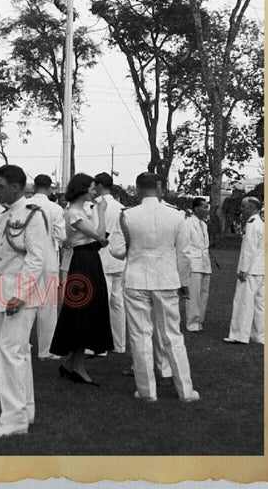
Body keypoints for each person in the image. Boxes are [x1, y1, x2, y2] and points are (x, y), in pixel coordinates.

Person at [113, 172, 199, 403]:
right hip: (166, 279)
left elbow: (117, 250)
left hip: (136, 279)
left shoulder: (127, 215)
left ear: (138, 189)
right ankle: (186, 391)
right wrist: (184, 282)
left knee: (140, 336)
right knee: (173, 335)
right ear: (158, 187)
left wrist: (132, 245)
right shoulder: (177, 215)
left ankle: (147, 391)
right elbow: (184, 253)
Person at [0, 164, 47, 439]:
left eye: (0, 185)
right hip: (8, 291)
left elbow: (36, 258)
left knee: (11, 353)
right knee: (17, 353)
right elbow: (10, 254)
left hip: (19, 294)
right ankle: (22, 410)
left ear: (16, 188)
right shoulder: (8, 214)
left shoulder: (31, 214)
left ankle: (15, 418)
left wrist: (20, 294)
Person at [50, 173, 113, 384]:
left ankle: (70, 364)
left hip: (89, 261)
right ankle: (77, 367)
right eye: (93, 188)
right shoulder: (74, 214)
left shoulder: (78, 212)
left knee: (87, 310)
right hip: (84, 262)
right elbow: (101, 236)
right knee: (83, 311)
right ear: (84, 189)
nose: (95, 191)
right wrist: (102, 213)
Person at [32, 174, 66, 359]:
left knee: (26, 302)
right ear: (49, 188)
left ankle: (21, 344)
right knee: (47, 305)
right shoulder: (55, 208)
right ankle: (47, 350)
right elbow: (61, 235)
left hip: (28, 259)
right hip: (48, 258)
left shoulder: (25, 205)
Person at [224, 196, 264, 345]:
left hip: (251, 270)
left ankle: (239, 335)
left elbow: (249, 250)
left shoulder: (252, 224)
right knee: (260, 304)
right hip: (260, 269)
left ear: (252, 208)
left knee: (243, 302)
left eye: (243, 207)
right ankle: (259, 335)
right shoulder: (261, 224)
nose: (241, 210)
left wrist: (243, 270)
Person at [93, 172, 126, 354]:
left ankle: (101, 346)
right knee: (117, 302)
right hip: (118, 258)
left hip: (102, 258)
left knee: (101, 302)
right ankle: (119, 344)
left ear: (99, 186)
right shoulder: (121, 207)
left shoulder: (98, 207)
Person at [185, 198, 212, 332]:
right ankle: (192, 323)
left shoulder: (204, 225)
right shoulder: (188, 223)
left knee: (204, 293)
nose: (207, 210)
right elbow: (185, 245)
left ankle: (200, 321)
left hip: (205, 262)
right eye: (205, 207)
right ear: (196, 209)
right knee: (193, 294)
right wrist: (188, 262)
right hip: (194, 263)